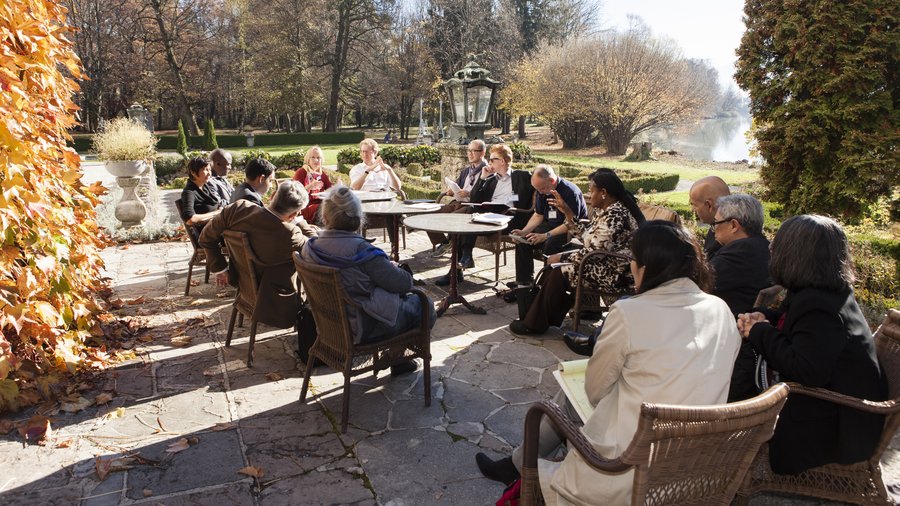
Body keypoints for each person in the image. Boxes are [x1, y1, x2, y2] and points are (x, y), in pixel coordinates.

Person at [476, 220, 741, 504]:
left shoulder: (631, 312)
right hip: (693, 465)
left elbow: (594, 391)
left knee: (569, 395)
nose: (630, 266)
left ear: (647, 267)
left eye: (633, 259)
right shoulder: (721, 309)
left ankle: (518, 466)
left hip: (627, 468)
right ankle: (515, 465)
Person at [737, 215, 886, 475]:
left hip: (836, 427)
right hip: (842, 409)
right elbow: (797, 326)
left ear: (793, 253)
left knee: (736, 382)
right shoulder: (823, 290)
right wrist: (764, 317)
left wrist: (759, 332)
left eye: (778, 244)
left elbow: (806, 370)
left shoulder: (818, 306)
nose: (772, 248)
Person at [300, 186, 436, 375]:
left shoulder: (310, 247)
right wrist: (393, 268)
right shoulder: (364, 253)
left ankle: (396, 357)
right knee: (425, 305)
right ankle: (396, 356)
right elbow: (403, 283)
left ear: (326, 217)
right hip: (362, 326)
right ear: (358, 219)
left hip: (328, 324)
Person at [509, 168, 645, 335]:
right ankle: (542, 318)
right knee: (556, 269)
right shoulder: (605, 209)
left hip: (617, 271)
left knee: (560, 270)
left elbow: (596, 251)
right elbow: (587, 236)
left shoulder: (615, 215)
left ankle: (534, 324)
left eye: (591, 190)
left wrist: (563, 257)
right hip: (602, 261)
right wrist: (567, 211)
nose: (589, 194)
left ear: (603, 192)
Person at [199, 181, 317, 326]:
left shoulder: (237, 209)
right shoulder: (290, 235)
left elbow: (205, 237)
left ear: (273, 196)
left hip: (242, 283)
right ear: (294, 214)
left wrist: (220, 269)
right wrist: (301, 222)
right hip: (277, 301)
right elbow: (316, 247)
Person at [434, 143, 534, 286]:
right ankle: (463, 260)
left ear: (503, 161)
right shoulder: (491, 180)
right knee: (468, 215)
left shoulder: (521, 176)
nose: (490, 162)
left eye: (493, 159)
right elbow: (475, 199)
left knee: (465, 222)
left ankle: (458, 268)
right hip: (490, 216)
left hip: (510, 219)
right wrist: (482, 177)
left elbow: (543, 180)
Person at [706, 194, 773, 402]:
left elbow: (697, 282)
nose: (713, 228)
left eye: (715, 223)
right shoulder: (762, 246)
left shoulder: (738, 254)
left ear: (733, 225)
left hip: (724, 338)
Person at [510, 164, 588, 288]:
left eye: (542, 188)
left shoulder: (569, 192)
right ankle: (524, 283)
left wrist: (545, 236)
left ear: (552, 181)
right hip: (549, 226)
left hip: (568, 231)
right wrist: (524, 232)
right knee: (525, 240)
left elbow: (572, 224)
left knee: (550, 244)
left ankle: (546, 284)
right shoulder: (543, 190)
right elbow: (538, 215)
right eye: (538, 189)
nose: (540, 192)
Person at [427, 139, 488, 255]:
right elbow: (457, 185)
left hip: (473, 206)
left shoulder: (488, 171)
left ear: (483, 152)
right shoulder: (466, 171)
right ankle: (444, 242)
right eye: (469, 151)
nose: (470, 154)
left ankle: (452, 246)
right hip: (458, 202)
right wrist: (451, 191)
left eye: (474, 151)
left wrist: (469, 194)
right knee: (430, 213)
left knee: (451, 219)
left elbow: (487, 194)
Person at [688, 175, 730, 258]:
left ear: (709, 205)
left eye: (694, 204)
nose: (692, 209)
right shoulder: (719, 225)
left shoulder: (726, 237)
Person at [180, 157, 225, 227]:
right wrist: (217, 213)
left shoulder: (205, 187)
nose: (209, 173)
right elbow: (190, 219)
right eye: (206, 170)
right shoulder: (189, 192)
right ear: (193, 172)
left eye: (210, 170)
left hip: (220, 225)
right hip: (210, 232)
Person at [292, 146, 333, 224]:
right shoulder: (301, 172)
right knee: (326, 208)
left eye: (318, 157)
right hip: (305, 207)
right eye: (313, 157)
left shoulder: (322, 173)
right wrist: (309, 186)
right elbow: (295, 194)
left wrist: (338, 186)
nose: (316, 160)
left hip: (320, 205)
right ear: (308, 159)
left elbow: (330, 189)